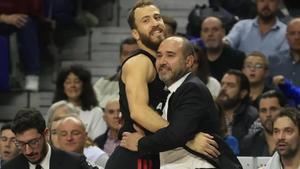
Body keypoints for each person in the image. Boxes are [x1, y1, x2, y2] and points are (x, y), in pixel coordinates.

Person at [105, 1, 219, 169]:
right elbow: (139, 112)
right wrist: (188, 139)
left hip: (154, 152)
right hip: (134, 156)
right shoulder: (139, 62)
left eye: (157, 17)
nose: (155, 23)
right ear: (136, 34)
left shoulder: (164, 67)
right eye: (146, 20)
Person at [120, 36, 242, 169]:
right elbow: (168, 129)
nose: (162, 61)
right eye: (159, 56)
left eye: (170, 55)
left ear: (189, 61)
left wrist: (140, 143)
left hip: (196, 164)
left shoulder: (192, 89)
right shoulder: (170, 92)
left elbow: (175, 135)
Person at [2, 108, 98, 169]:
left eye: (33, 142)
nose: (28, 151)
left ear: (46, 134)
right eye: (21, 144)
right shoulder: (10, 167)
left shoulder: (74, 163)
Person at [53, 64, 106, 139]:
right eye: (68, 82)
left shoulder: (96, 112)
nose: (72, 85)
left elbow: (98, 142)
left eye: (77, 81)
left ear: (84, 85)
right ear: (62, 87)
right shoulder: (56, 111)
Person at [224, 0, 288, 58]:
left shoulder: (286, 32)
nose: (266, 5)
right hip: (241, 69)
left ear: (278, 3)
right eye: (262, 1)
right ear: (256, 3)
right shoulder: (242, 26)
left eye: (271, 1)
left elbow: (284, 60)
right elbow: (228, 42)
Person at [0, 2, 42, 91]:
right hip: (2, 19)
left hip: (16, 16)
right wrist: (4, 18)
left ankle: (32, 74)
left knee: (26, 22)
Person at [93, 37, 138, 108]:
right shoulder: (104, 82)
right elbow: (93, 104)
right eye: (125, 53)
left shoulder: (149, 80)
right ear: (120, 57)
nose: (129, 57)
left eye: (134, 54)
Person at [216, 69, 258, 143]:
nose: (223, 89)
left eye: (230, 85)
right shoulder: (211, 112)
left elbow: (252, 145)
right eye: (222, 84)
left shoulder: (252, 116)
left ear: (243, 93)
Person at [240, 90, 286, 156]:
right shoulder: (249, 142)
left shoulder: (294, 140)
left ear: (283, 110)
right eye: (263, 110)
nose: (268, 114)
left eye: (273, 109)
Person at [201, 16, 245, 81]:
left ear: (223, 32)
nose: (210, 34)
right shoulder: (196, 57)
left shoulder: (238, 58)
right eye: (206, 30)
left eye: (215, 30)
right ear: (201, 34)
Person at [269, 18, 300, 86]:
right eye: (292, 33)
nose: (297, 37)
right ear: (287, 36)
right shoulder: (273, 60)